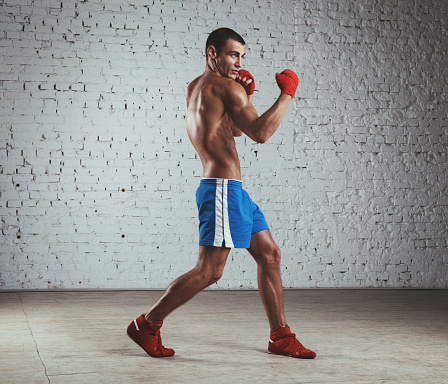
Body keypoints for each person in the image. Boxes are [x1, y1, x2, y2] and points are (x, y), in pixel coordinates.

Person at [127, 27, 316, 359]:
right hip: (222, 189)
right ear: (212, 53)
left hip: (231, 190)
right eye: (233, 55)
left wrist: (248, 98)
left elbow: (231, 132)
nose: (239, 63)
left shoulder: (195, 88)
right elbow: (259, 134)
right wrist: (287, 93)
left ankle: (280, 336)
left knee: (269, 254)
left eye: (242, 56)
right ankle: (148, 324)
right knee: (210, 270)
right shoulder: (228, 88)